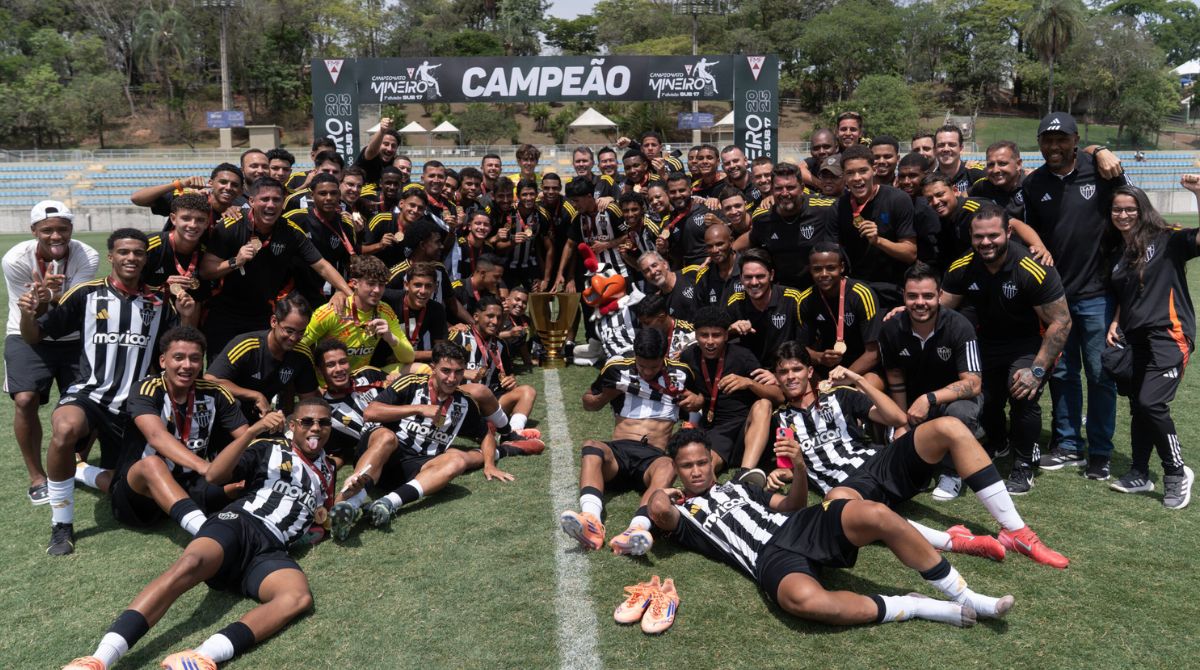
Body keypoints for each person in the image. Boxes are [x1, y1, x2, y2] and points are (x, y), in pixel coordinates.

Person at [60, 399, 334, 670]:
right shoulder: (269, 448)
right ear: (293, 425)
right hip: (240, 523)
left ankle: (202, 656)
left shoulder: (328, 471)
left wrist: (326, 522)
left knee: (297, 597)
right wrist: (252, 431)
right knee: (188, 566)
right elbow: (215, 475)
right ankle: (98, 659)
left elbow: (321, 521)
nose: (316, 428)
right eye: (308, 421)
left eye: (324, 423)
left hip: (271, 549)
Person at [646, 428, 1013, 628]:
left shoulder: (742, 485)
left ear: (711, 461)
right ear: (677, 468)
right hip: (767, 557)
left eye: (701, 463)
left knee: (875, 514)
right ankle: (914, 607)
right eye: (687, 466)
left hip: (799, 526)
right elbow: (658, 509)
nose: (696, 471)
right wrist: (667, 489)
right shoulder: (686, 515)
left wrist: (801, 468)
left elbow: (792, 506)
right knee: (803, 602)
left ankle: (964, 596)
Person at [744, 343, 1068, 568]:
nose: (790, 377)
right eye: (783, 372)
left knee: (950, 426)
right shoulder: (782, 420)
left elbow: (897, 420)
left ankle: (1017, 532)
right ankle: (954, 541)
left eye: (796, 370)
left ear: (809, 370)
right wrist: (781, 474)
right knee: (836, 500)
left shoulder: (840, 397)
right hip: (851, 489)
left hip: (880, 464)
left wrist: (857, 380)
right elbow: (790, 468)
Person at [20, 228, 197, 556]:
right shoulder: (86, 293)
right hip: (91, 394)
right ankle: (62, 524)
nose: (131, 258)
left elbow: (182, 345)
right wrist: (30, 313)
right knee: (64, 428)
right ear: (112, 256)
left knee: (133, 488)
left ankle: (84, 471)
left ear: (145, 259)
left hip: (137, 405)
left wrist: (187, 315)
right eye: (124, 252)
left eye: (138, 253)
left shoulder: (159, 300)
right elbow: (34, 337)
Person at [942, 204, 1072, 493]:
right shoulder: (962, 267)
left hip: (1028, 345)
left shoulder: (1031, 268)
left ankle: (1024, 462)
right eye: (979, 237)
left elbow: (1061, 322)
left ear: (1008, 233)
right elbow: (939, 312)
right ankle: (998, 443)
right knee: (983, 398)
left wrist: (1036, 371)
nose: (985, 242)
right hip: (986, 345)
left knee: (1022, 391)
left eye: (993, 235)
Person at [1022, 113, 1126, 476]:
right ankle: (1068, 445)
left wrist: (1103, 149)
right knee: (1063, 372)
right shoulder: (1033, 184)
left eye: (1061, 139)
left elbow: (1129, 209)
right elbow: (1024, 230)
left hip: (1097, 293)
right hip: (1056, 298)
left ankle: (1100, 451)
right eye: (1047, 140)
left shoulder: (1100, 171)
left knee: (1100, 375)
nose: (1053, 147)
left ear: (1076, 139)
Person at [330, 342, 524, 534]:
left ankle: (387, 503)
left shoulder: (463, 404)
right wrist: (418, 408)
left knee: (457, 460)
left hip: (414, 468)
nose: (451, 378)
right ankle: (350, 504)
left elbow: (485, 435)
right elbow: (370, 412)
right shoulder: (411, 383)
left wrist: (489, 464)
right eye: (445, 371)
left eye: (458, 372)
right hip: (382, 454)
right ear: (433, 368)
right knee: (387, 437)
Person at [559, 328, 701, 557]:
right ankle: (591, 520)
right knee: (592, 445)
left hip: (653, 456)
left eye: (653, 367)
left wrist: (697, 400)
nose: (646, 372)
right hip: (619, 453)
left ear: (664, 356)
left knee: (669, 464)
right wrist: (606, 394)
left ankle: (637, 528)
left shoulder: (681, 372)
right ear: (635, 355)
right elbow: (588, 403)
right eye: (642, 366)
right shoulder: (616, 369)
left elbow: (700, 400)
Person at [1103, 180, 1200, 507]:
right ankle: (1139, 473)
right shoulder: (1119, 253)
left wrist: (1199, 194)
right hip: (1135, 338)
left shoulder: (1167, 239)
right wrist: (1117, 320)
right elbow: (1127, 294)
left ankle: (1176, 472)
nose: (1123, 214)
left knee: (1151, 403)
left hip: (1170, 335)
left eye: (1130, 208)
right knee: (1138, 406)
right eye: (1117, 209)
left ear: (1143, 210)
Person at [3, 200, 99, 504]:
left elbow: (75, 305)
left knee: (95, 398)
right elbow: (34, 318)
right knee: (25, 399)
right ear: (34, 231)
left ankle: (76, 461)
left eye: (62, 229)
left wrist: (51, 293)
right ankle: (36, 476)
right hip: (27, 333)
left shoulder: (88, 254)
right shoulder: (16, 260)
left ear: (71, 229)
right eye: (47, 230)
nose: (56, 235)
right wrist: (43, 298)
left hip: (74, 334)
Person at [110, 326, 249, 536]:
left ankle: (83, 470)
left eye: (195, 358)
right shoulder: (146, 389)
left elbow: (244, 438)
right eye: (178, 357)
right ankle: (206, 534)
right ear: (163, 361)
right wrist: (205, 467)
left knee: (239, 483)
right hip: (142, 495)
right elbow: (156, 437)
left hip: (191, 485)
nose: (187, 365)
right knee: (152, 464)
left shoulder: (216, 392)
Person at [199, 177, 352, 359]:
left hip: (263, 314)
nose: (270, 205)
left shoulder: (290, 230)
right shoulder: (231, 226)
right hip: (226, 313)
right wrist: (235, 261)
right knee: (219, 373)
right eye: (264, 199)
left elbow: (322, 265)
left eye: (276, 200)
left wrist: (349, 294)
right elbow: (206, 270)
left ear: (283, 203)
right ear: (252, 201)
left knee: (261, 371)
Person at [879, 263, 983, 500]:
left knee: (962, 412)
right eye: (913, 296)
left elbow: (974, 383)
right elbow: (895, 377)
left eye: (927, 296)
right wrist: (901, 420)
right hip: (914, 402)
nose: (920, 302)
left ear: (940, 295)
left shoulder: (960, 326)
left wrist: (930, 398)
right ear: (904, 296)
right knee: (899, 440)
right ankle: (917, 464)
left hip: (950, 400)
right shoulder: (891, 328)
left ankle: (952, 471)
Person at [681, 305, 782, 474]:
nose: (710, 341)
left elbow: (778, 397)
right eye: (704, 335)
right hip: (716, 430)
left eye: (717, 335)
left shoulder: (742, 356)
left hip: (747, 428)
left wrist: (749, 383)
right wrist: (696, 401)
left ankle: (746, 473)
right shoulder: (689, 356)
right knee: (706, 469)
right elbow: (689, 394)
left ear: (727, 335)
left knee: (763, 404)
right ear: (696, 335)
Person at [206, 293, 320, 422]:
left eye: (301, 332)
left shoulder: (302, 354)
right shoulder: (247, 345)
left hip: (263, 418)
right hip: (226, 416)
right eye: (289, 331)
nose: (294, 338)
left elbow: (309, 401)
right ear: (273, 321)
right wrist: (255, 395)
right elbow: (210, 380)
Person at [299, 255, 415, 373]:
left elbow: (409, 357)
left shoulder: (385, 311)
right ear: (354, 283)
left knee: (421, 369)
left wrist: (391, 338)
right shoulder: (332, 311)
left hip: (361, 381)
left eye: (381, 284)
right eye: (371, 284)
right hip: (327, 384)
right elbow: (298, 346)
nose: (377, 290)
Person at [835, 146, 917, 308]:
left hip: (892, 290)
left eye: (863, 171)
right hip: (855, 291)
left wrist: (878, 241)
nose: (857, 178)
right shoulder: (838, 207)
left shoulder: (898, 199)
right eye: (850, 173)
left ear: (873, 170)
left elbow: (910, 253)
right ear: (844, 176)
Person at [737, 162, 837, 291]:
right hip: (783, 293)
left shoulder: (825, 209)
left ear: (801, 187)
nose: (784, 193)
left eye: (790, 187)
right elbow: (752, 240)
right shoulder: (762, 218)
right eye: (779, 188)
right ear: (772, 189)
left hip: (819, 289)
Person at [449, 294, 538, 432]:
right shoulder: (459, 336)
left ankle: (513, 432)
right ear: (476, 316)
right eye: (490, 316)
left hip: (490, 403)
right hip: (460, 400)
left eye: (499, 317)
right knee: (479, 390)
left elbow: (509, 374)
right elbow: (437, 369)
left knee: (528, 391)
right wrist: (463, 373)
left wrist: (511, 381)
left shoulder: (501, 344)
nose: (495, 322)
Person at [797, 242, 883, 383]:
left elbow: (873, 353)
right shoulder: (806, 300)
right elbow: (801, 349)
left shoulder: (861, 294)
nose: (824, 274)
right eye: (817, 269)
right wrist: (819, 357)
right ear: (810, 270)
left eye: (830, 268)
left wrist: (843, 377)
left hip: (862, 366)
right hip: (827, 367)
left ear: (842, 267)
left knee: (869, 385)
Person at [282, 173, 359, 308]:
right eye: (322, 193)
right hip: (290, 291)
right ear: (312, 196)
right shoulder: (295, 218)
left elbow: (350, 265)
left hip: (323, 290)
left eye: (333, 193)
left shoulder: (346, 224)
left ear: (339, 195)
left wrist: (342, 290)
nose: (329, 198)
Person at [312, 338, 392, 466]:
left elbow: (396, 388)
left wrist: (395, 380)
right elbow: (341, 453)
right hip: (379, 461)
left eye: (343, 362)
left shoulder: (368, 374)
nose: (339, 369)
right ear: (320, 372)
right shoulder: (325, 412)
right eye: (330, 365)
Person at [726, 249, 804, 366]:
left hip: (786, 369)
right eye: (748, 277)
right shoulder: (735, 301)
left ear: (771, 275)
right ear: (741, 278)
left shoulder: (793, 299)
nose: (754, 282)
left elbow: (804, 345)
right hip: (752, 371)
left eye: (760, 276)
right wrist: (731, 329)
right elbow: (718, 335)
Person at [142, 193, 214, 304]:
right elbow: (125, 285)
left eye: (200, 220)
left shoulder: (207, 254)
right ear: (173, 219)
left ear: (207, 223)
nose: (193, 225)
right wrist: (163, 288)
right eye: (186, 218)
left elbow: (199, 300)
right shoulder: (149, 246)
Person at [384, 262, 449, 361]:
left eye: (428, 286)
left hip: (407, 362)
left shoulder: (436, 309)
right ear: (406, 285)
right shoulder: (388, 298)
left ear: (435, 287)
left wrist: (410, 355)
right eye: (417, 285)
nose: (423, 291)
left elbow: (442, 350)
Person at [684, 223, 742, 308]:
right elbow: (699, 312)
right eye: (710, 246)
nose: (714, 250)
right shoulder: (704, 277)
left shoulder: (747, 268)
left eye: (720, 244)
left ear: (731, 242)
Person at [638, 250, 695, 322]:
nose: (652, 272)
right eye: (647, 271)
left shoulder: (691, 273)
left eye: (654, 265)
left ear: (665, 264)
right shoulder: (660, 304)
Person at [932, 125, 986, 193]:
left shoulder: (976, 173)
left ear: (961, 148)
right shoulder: (931, 181)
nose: (946, 149)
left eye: (952, 144)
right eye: (941, 145)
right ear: (934, 150)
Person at [356, 118, 399, 184]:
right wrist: (382, 131)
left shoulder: (394, 163)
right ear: (379, 144)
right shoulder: (370, 156)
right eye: (386, 144)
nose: (389, 149)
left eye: (393, 146)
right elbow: (372, 151)